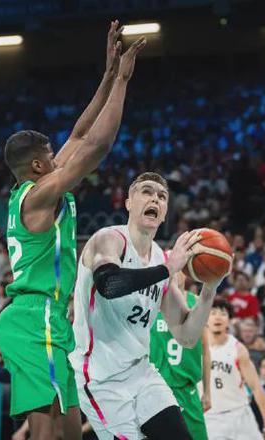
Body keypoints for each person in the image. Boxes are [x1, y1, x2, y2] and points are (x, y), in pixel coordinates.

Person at [0, 22, 145, 439]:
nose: (58, 157)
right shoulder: (40, 196)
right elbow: (96, 146)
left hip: (48, 320)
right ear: (38, 166)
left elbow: (80, 133)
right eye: (50, 154)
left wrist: (108, 75)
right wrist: (124, 84)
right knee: (47, 433)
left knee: (71, 431)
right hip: (34, 320)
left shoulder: (36, 187)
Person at [69, 172, 227, 440]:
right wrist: (168, 269)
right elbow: (109, 284)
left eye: (162, 196)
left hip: (141, 373)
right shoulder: (108, 239)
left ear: (164, 213)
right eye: (146, 191)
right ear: (128, 203)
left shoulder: (160, 258)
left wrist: (210, 288)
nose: (155, 198)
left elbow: (187, 336)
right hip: (100, 378)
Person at [206, 300, 265, 440]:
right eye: (213, 313)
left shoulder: (238, 349)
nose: (218, 317)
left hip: (240, 414)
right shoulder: (195, 347)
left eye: (223, 314)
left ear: (230, 320)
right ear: (205, 318)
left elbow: (256, 387)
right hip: (211, 417)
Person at [149, 272, 212, 440]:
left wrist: (207, 391)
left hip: (186, 388)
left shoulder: (196, 302)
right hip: (157, 388)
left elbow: (205, 350)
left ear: (186, 273)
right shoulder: (152, 302)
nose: (175, 274)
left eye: (179, 270)